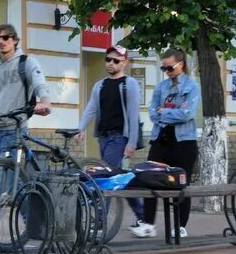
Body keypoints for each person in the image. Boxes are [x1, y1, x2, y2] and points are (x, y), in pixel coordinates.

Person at [131, 48, 201, 239]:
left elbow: (188, 114)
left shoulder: (192, 87)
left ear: (181, 65)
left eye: (170, 68)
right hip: (160, 139)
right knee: (149, 178)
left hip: (184, 142)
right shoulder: (161, 87)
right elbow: (153, 113)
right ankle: (148, 223)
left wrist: (165, 111)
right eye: (163, 68)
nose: (166, 72)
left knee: (180, 184)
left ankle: (180, 225)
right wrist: (172, 111)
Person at [76, 44, 144, 224]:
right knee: (118, 176)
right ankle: (142, 214)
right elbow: (91, 108)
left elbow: (133, 114)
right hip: (104, 138)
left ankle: (99, 221)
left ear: (124, 63)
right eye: (108, 59)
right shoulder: (100, 85)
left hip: (119, 137)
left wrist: (132, 143)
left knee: (105, 177)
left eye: (116, 60)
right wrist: (81, 128)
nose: (110, 63)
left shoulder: (129, 84)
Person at [0, 23, 51, 211]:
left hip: (15, 129)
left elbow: (39, 82)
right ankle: (29, 226)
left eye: (6, 37)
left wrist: (45, 101)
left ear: (15, 40)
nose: (1, 41)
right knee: (12, 183)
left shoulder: (27, 62)